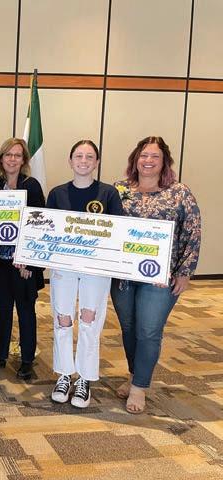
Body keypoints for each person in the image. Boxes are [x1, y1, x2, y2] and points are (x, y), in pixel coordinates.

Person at [111, 136, 201, 414]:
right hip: (123, 274)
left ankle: (140, 387)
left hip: (160, 277)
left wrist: (185, 272)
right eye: (143, 155)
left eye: (155, 156)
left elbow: (193, 232)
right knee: (129, 328)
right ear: (135, 159)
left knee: (148, 330)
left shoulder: (179, 193)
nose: (148, 161)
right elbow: (106, 226)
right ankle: (134, 374)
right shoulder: (119, 190)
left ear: (164, 162)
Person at [46, 140, 123, 408]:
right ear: (70, 161)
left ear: (97, 162)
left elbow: (117, 230)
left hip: (96, 269)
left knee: (90, 320)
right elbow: (46, 230)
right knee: (63, 319)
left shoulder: (108, 193)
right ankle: (64, 374)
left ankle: (85, 378)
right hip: (64, 267)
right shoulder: (57, 194)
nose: (83, 161)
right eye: (78, 156)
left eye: (89, 157)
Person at [0, 138, 45, 380]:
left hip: (23, 264)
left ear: (24, 160)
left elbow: (39, 224)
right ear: (1, 159)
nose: (12, 159)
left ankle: (27, 359)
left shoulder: (32, 186)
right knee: (3, 308)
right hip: (0, 260)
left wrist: (28, 259)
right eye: (8, 155)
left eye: (17, 155)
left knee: (26, 309)